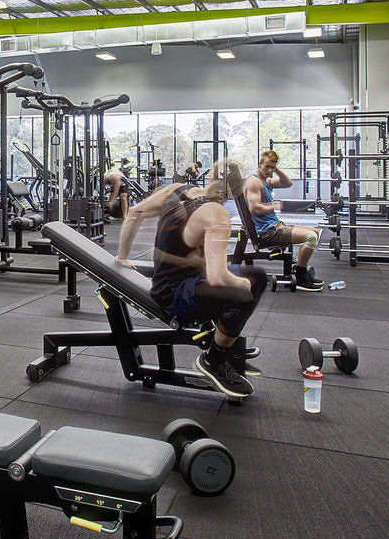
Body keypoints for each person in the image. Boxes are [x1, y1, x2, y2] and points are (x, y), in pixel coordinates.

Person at [115, 166, 268, 399]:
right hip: (177, 294)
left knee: (257, 276)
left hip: (171, 283)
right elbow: (218, 278)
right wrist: (240, 283)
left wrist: (122, 257)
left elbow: (135, 212)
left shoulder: (177, 189)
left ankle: (225, 344)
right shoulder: (217, 214)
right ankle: (214, 359)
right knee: (245, 294)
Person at [242, 150, 323, 291]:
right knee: (311, 237)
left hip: (274, 226)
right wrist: (274, 205)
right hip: (267, 232)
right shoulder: (254, 182)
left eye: (272, 167)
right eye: (266, 166)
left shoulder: (265, 180)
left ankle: (298, 269)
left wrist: (276, 169)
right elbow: (254, 208)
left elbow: (287, 183)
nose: (269, 170)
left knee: (315, 231)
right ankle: (301, 277)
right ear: (259, 163)